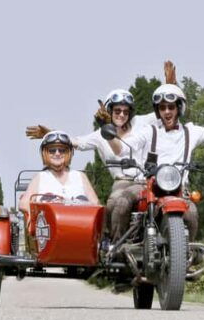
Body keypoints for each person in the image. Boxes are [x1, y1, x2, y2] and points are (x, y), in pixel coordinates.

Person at [108, 83, 204, 240]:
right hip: (147, 185)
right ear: (157, 111)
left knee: (192, 213)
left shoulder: (190, 132)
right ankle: (118, 248)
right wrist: (109, 134)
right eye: (162, 108)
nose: (166, 111)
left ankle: (187, 255)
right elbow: (121, 149)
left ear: (179, 108)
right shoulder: (149, 131)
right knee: (122, 202)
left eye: (171, 107)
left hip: (179, 189)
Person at [25, 88, 160, 240]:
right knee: (113, 204)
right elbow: (77, 142)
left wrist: (171, 85)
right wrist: (51, 134)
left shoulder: (140, 123)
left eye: (125, 111)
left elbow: (164, 111)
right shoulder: (100, 135)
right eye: (117, 111)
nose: (121, 114)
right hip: (123, 181)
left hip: (145, 179)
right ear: (108, 111)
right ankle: (116, 244)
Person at [19, 130, 99, 214]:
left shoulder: (80, 176)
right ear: (45, 153)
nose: (57, 153)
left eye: (62, 150)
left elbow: (96, 204)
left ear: (69, 152)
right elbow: (24, 203)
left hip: (80, 224)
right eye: (52, 150)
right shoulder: (40, 177)